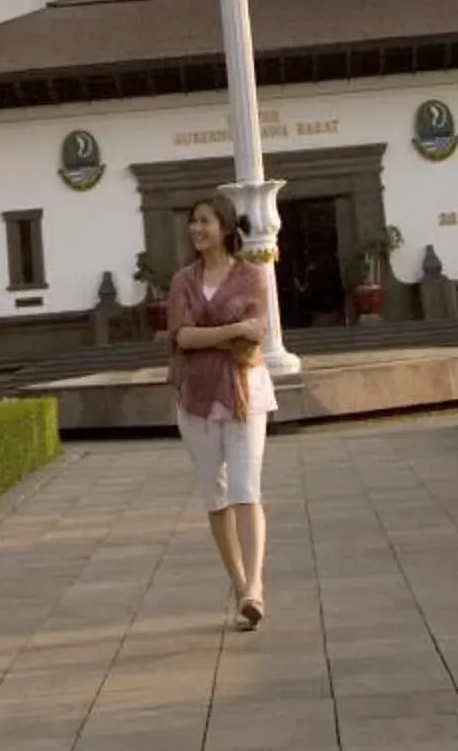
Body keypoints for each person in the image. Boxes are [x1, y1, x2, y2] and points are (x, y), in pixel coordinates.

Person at [168, 192, 274, 628]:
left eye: (206, 221)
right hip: (195, 398)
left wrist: (208, 334)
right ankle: (238, 583)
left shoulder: (252, 277)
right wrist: (229, 331)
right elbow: (181, 337)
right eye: (193, 221)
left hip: (244, 391)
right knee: (215, 494)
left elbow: (255, 337)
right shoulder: (182, 281)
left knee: (246, 488)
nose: (197, 229)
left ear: (226, 228)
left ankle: (255, 587)